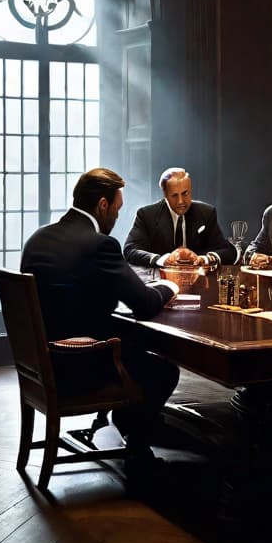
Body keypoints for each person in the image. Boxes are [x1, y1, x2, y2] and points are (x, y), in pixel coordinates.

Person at [21, 167, 180, 455]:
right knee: (164, 372)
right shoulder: (99, 244)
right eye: (116, 209)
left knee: (137, 347)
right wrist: (171, 287)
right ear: (102, 205)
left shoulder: (38, 239)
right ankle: (138, 453)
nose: (117, 217)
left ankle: (131, 422)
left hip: (42, 363)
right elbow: (144, 305)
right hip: (78, 365)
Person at [123, 167, 237, 269]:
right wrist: (162, 260)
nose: (181, 201)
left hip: (199, 282)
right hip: (160, 282)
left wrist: (204, 259)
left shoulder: (206, 212)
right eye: (174, 195)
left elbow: (229, 251)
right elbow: (130, 250)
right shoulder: (147, 215)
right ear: (165, 195)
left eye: (185, 193)